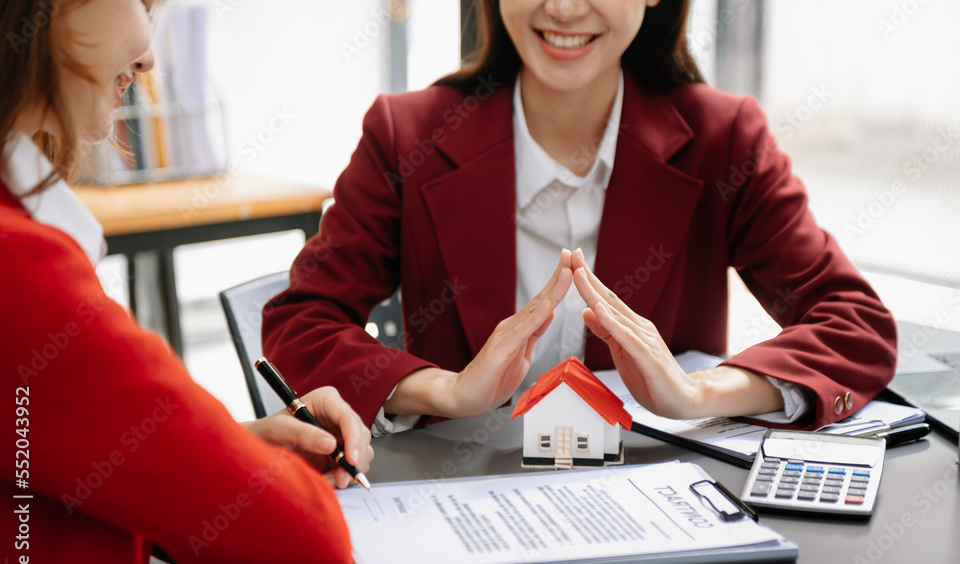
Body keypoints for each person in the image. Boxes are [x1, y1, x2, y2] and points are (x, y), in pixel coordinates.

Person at [262, 0, 897, 435]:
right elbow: (301, 323)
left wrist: (701, 395)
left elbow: (857, 329)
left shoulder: (723, 140)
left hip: (662, 515)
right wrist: (446, 392)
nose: (563, 8)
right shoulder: (408, 136)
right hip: (454, 510)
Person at [0, 1, 373, 564]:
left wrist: (231, 452)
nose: (149, 56)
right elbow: (310, 548)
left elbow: (48, 473)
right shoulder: (21, 272)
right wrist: (239, 481)